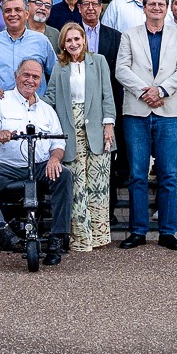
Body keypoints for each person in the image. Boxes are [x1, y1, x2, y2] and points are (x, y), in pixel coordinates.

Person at [114, 0, 177, 250]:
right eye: (152, 4)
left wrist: (162, 90)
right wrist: (145, 91)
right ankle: (138, 231)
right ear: (144, 7)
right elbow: (121, 69)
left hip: (168, 113)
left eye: (161, 4)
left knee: (168, 175)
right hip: (137, 112)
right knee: (138, 175)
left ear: (166, 8)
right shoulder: (129, 35)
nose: (156, 7)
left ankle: (167, 232)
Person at [0, 59, 71, 261]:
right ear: (16, 76)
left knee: (65, 175)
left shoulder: (47, 110)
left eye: (35, 77)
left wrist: (54, 159)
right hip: (6, 167)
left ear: (41, 80)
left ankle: (57, 237)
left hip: (40, 165)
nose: (30, 80)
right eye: (26, 75)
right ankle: (2, 232)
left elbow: (58, 143)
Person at [46, 21, 116, 254]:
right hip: (70, 130)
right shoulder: (59, 67)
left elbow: (108, 95)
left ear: (84, 40)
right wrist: (26, 101)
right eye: (69, 40)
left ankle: (99, 236)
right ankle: (80, 239)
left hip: (97, 128)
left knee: (98, 186)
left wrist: (109, 124)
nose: (74, 43)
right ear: (63, 44)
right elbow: (51, 97)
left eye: (77, 39)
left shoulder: (99, 62)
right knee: (77, 186)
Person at [0, 0, 55, 97]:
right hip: (2, 104)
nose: (12, 14)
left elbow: (55, 73)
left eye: (17, 10)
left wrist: (49, 98)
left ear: (27, 14)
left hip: (34, 106)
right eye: (7, 11)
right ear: (3, 15)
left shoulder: (41, 41)